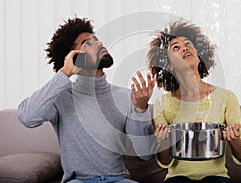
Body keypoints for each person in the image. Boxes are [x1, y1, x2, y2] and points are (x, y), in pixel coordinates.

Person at [18, 17, 155, 183]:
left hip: (119, 180)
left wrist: (141, 110)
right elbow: (26, 116)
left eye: (96, 39)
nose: (99, 43)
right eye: (87, 43)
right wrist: (65, 72)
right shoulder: (61, 96)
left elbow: (146, 153)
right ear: (74, 56)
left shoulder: (126, 96)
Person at [146, 19, 241, 183]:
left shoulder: (226, 97)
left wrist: (233, 138)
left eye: (188, 44)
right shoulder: (162, 104)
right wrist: (165, 139)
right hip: (177, 178)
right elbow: (164, 161)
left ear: (199, 56)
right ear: (170, 65)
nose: (185, 48)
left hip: (216, 177)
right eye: (176, 48)